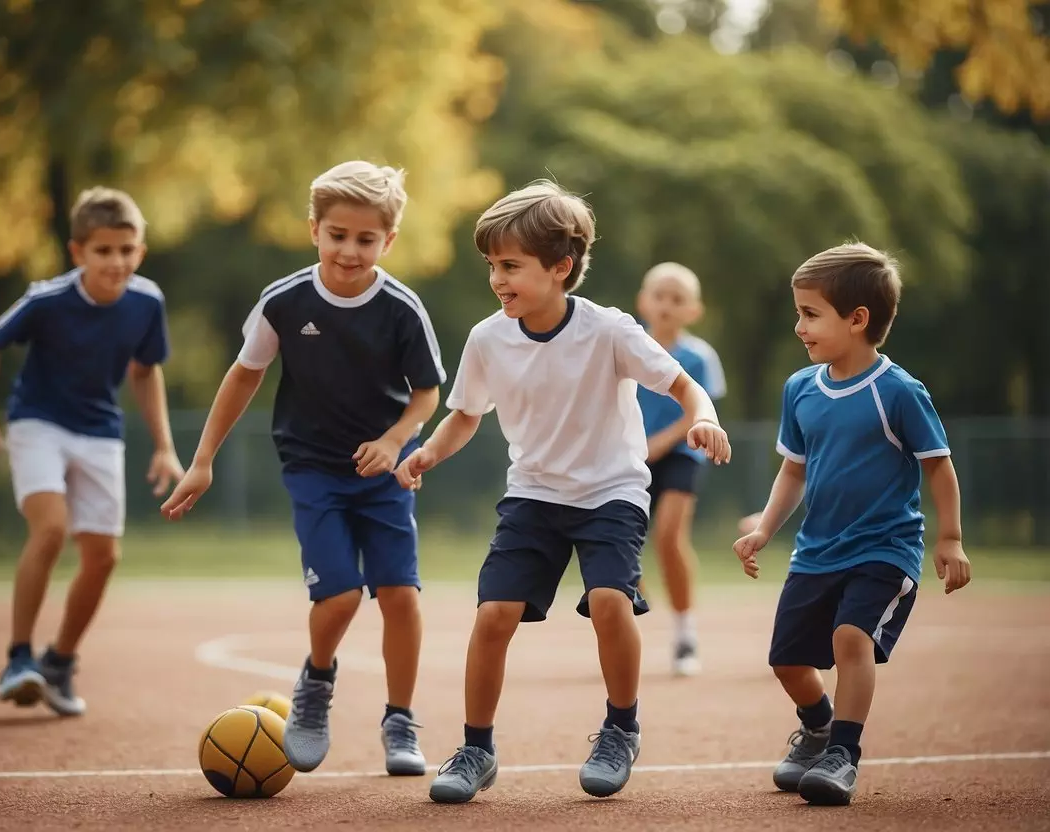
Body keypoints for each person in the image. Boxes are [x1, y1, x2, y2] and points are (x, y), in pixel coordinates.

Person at [394, 180, 731, 804]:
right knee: (494, 615)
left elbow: (684, 386)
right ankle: (475, 747)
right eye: (492, 265)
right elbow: (466, 414)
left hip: (612, 491)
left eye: (511, 266)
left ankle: (620, 729)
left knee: (609, 602)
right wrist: (429, 452)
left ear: (560, 268)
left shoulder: (609, 330)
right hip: (533, 495)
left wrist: (704, 416)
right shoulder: (487, 338)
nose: (498, 278)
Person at [160, 161, 445, 777]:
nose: (349, 250)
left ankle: (400, 719)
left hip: (383, 474)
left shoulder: (402, 308)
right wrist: (201, 460)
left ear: (387, 241)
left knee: (399, 594)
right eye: (337, 234)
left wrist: (395, 440)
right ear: (314, 229)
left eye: (366, 239)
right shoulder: (284, 301)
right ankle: (316, 684)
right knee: (340, 595)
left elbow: (427, 394)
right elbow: (244, 374)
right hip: (313, 468)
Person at [733, 242, 972, 806]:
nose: (799, 327)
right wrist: (765, 529)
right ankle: (817, 728)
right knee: (787, 661)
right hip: (816, 552)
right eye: (798, 313)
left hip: (884, 550)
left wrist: (951, 537)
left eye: (811, 314)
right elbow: (793, 472)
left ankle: (843, 753)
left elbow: (938, 466)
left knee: (850, 638)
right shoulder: (800, 390)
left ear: (858, 319)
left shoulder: (900, 392)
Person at [0, 187, 183, 717]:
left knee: (104, 556)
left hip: (99, 430)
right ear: (77, 252)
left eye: (126, 250)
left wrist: (164, 446)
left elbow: (145, 369)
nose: (116, 261)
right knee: (51, 528)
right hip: (37, 422)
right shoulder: (47, 300)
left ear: (141, 251)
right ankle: (18, 659)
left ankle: (59, 661)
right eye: (103, 250)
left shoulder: (146, 302)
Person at [633, 262, 726, 676]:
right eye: (659, 295)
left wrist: (660, 443)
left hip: (681, 453)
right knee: (617, 545)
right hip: (631, 456)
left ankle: (685, 634)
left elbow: (698, 410)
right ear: (643, 301)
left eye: (678, 299)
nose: (667, 305)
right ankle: (628, 625)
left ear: (693, 310)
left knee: (669, 535)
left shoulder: (699, 357)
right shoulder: (629, 344)